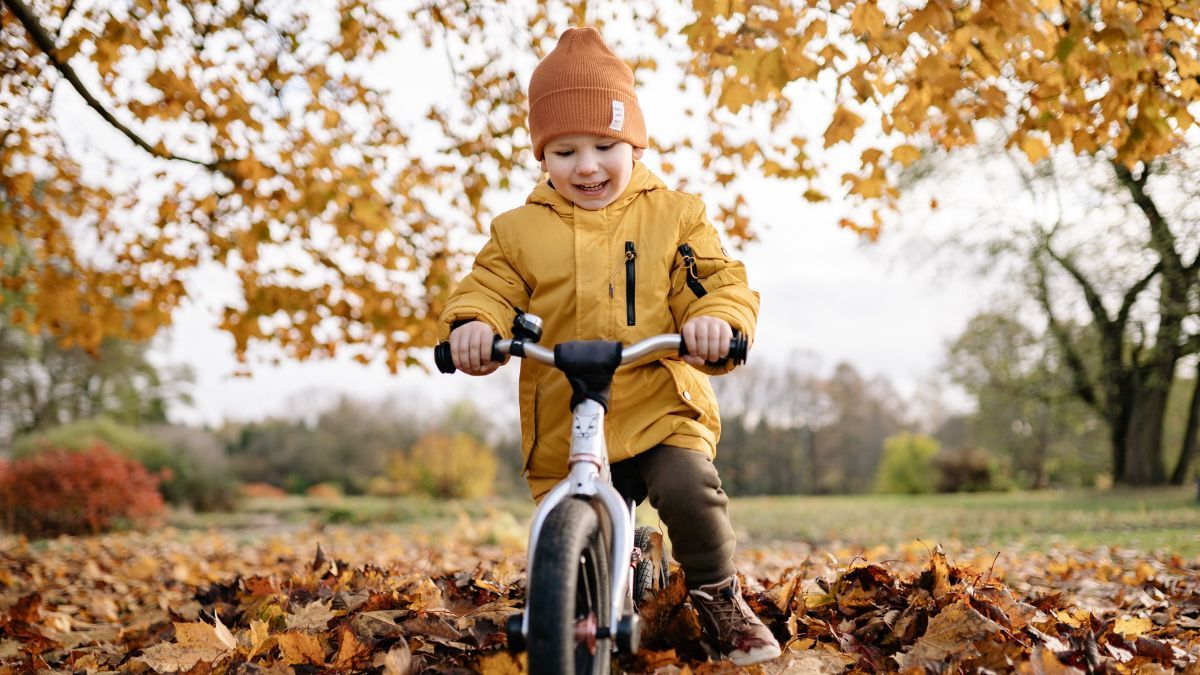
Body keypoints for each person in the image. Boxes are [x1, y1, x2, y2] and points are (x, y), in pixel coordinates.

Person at [438, 26, 781, 666]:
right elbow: (489, 287)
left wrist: (713, 320)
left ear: (633, 141)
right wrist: (472, 327)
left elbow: (717, 281)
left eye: (604, 145)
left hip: (657, 401)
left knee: (688, 488)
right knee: (571, 533)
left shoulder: (676, 215)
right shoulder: (518, 232)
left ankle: (717, 596)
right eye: (565, 150)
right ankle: (584, 602)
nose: (587, 165)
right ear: (542, 156)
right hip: (572, 416)